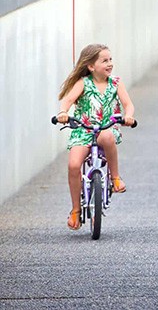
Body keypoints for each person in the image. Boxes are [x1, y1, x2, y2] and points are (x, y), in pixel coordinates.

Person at [56, 43, 135, 230]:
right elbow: (66, 101)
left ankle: (115, 177)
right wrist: (63, 113)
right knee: (74, 165)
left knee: (107, 137)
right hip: (84, 129)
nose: (110, 64)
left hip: (106, 127)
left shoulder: (116, 82)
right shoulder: (83, 83)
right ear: (91, 66)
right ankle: (76, 209)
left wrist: (129, 116)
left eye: (110, 60)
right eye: (104, 61)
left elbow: (128, 104)